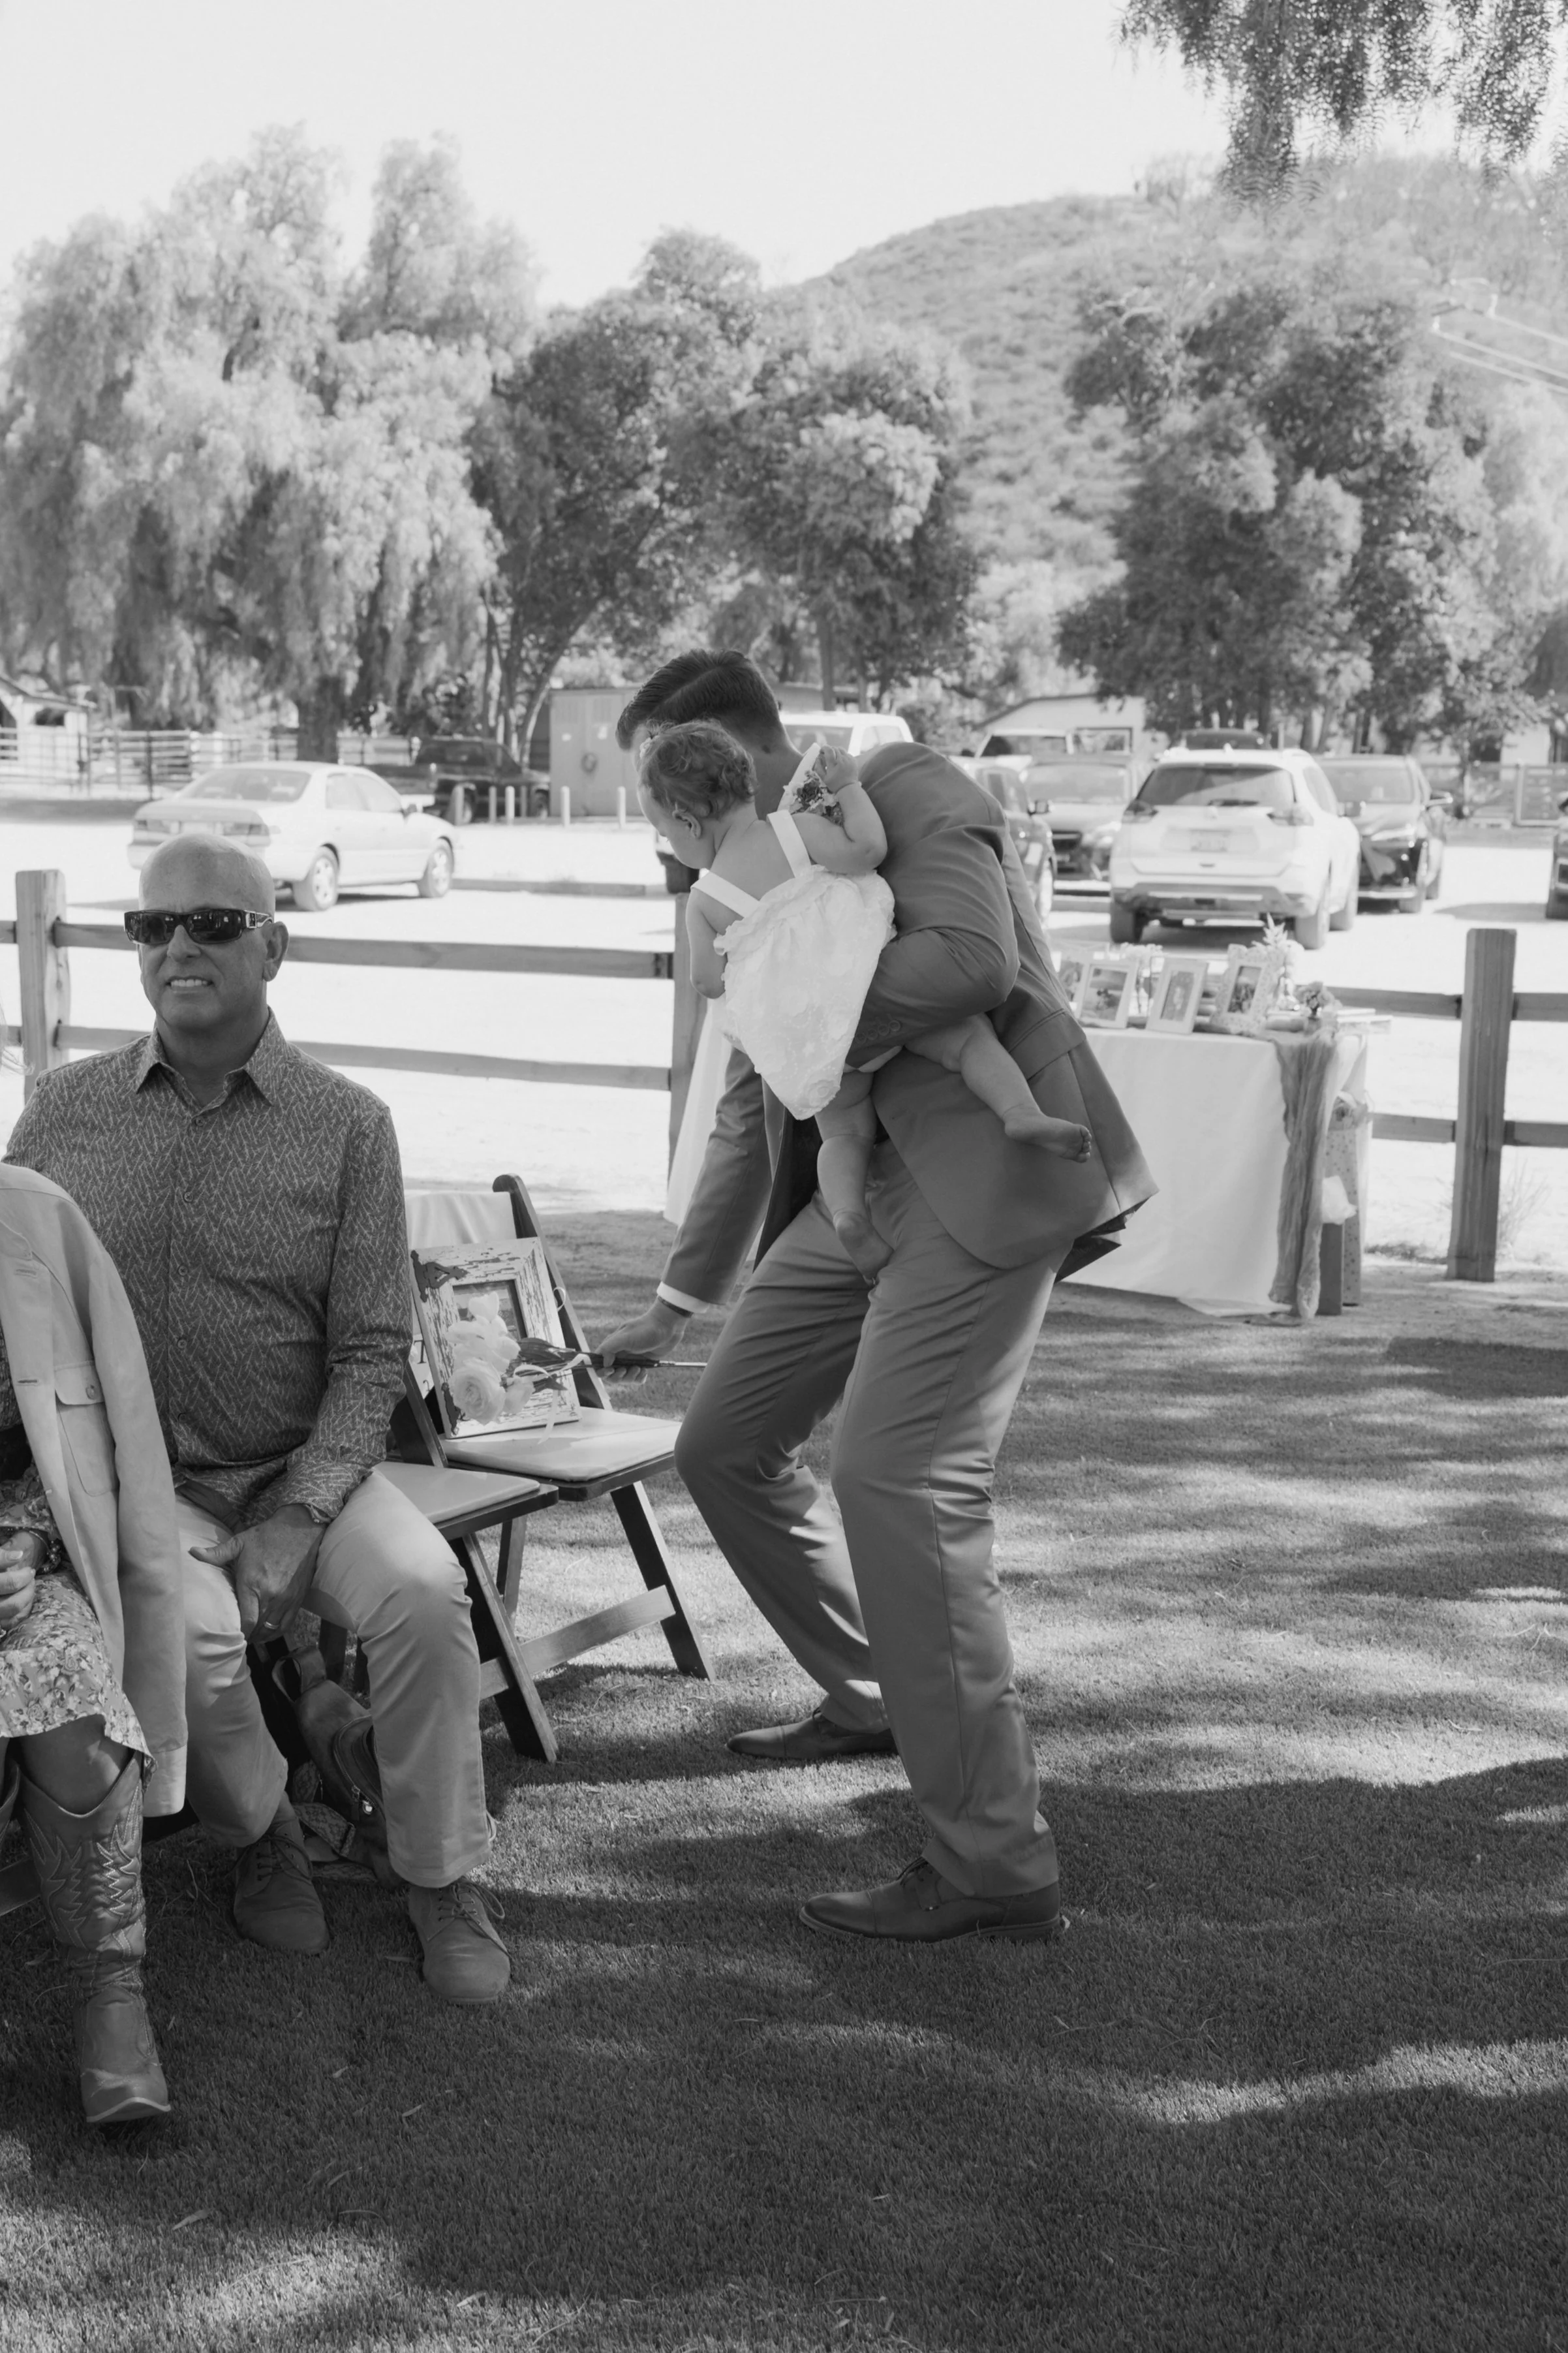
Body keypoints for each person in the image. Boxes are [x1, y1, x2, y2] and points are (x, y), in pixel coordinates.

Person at [602, 652, 1154, 1944]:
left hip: (980, 1172)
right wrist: (675, 1303)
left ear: (719, 749)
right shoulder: (744, 879)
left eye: (662, 784)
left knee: (899, 1480)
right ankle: (870, 1689)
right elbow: (747, 1105)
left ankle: (992, 1857)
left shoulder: (899, 783)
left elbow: (969, 964)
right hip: (853, 1196)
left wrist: (794, 1007)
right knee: (721, 1442)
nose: (666, 824)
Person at [7, 835, 508, 2004]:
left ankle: (439, 1875)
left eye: (214, 924)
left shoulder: (347, 1124)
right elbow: (16, 1304)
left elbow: (373, 1349)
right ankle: (267, 1829)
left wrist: (298, 1516)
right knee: (191, 1639)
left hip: (303, 1469)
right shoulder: (62, 1111)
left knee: (425, 1595)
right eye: (153, 926)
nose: (179, 945)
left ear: (273, 946)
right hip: (145, 1489)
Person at [642, 723, 1093, 1280]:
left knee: (843, 1133)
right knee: (967, 1042)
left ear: (687, 823)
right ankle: (1020, 1113)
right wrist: (849, 787)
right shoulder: (794, 831)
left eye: (664, 831)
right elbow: (867, 850)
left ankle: (850, 1216)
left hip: (816, 1039)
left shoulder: (704, 901)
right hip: (869, 988)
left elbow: (707, 982)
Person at [0, 1161, 186, 2125]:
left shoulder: (34, 1216)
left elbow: (82, 1441)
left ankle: (112, 1997)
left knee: (67, 1688)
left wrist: (23, 1543)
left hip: (25, 1563)